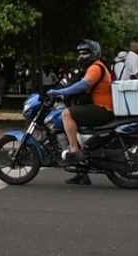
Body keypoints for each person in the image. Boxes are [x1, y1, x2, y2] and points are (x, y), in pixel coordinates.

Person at [46, 40, 113, 186]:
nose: (82, 56)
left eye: (85, 53)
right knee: (74, 128)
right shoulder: (91, 67)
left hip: (102, 109)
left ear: (94, 53)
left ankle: (74, 150)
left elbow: (82, 85)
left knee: (67, 114)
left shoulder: (96, 67)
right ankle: (82, 174)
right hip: (97, 107)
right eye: (80, 54)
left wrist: (59, 92)